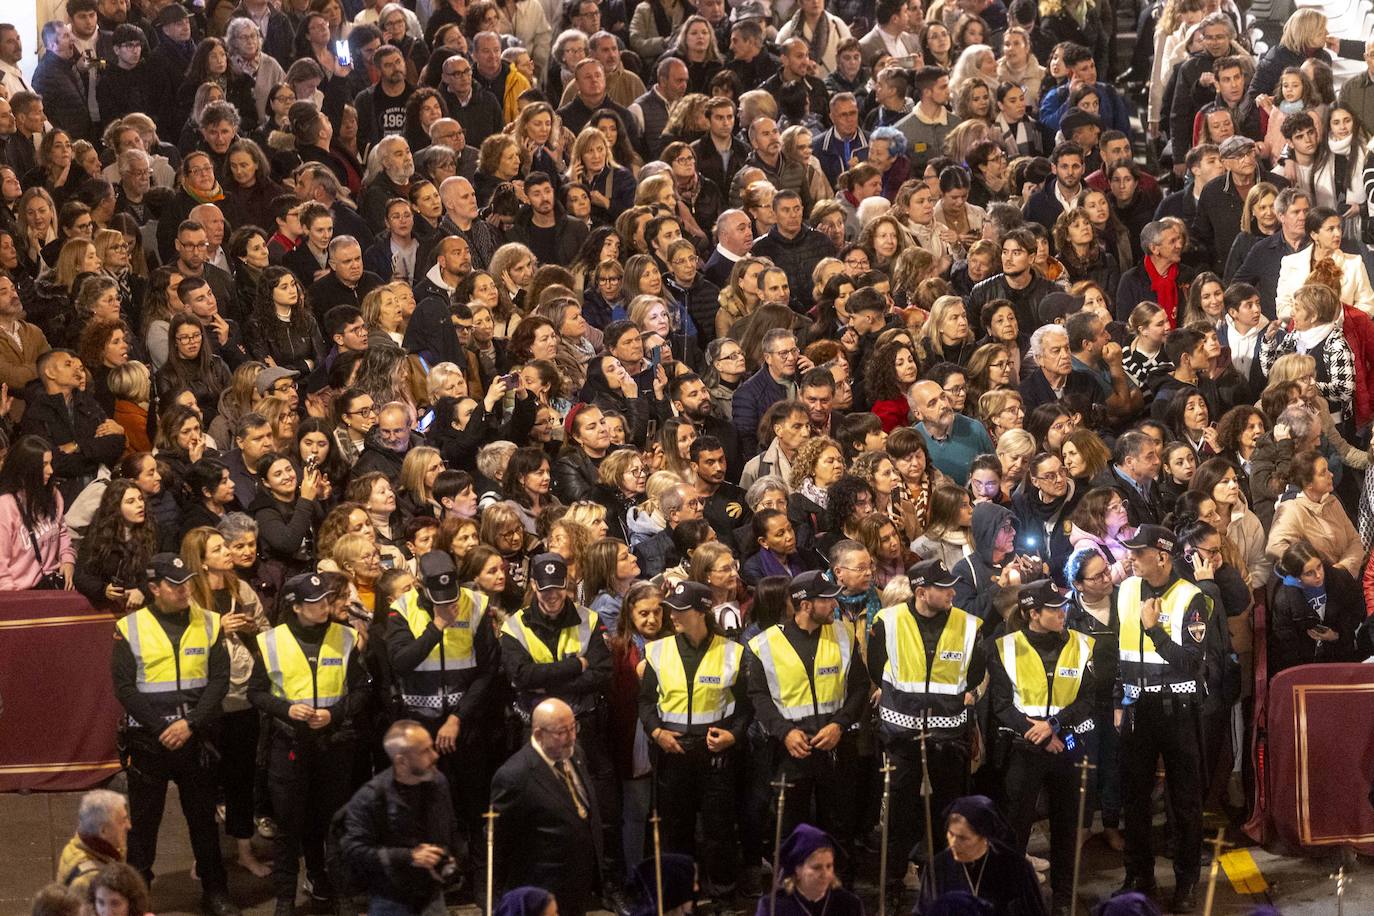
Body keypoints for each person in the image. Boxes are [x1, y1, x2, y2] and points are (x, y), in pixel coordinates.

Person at [111, 553, 240, 916]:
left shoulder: (211, 623)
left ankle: (216, 893)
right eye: (175, 585)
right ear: (154, 588)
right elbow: (124, 687)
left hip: (195, 735)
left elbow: (218, 681)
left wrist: (190, 723)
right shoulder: (130, 627)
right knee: (143, 825)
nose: (185, 591)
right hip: (148, 739)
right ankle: (137, 898)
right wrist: (162, 726)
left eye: (187, 583)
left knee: (203, 820)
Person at [248, 571, 371, 915]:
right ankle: (285, 900)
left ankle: (339, 894)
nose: (324, 608)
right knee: (288, 826)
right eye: (315, 604)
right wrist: (287, 710)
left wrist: (333, 714)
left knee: (334, 823)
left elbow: (362, 690)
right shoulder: (272, 641)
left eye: (326, 601)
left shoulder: (345, 637)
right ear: (297, 607)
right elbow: (255, 692)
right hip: (289, 745)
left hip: (333, 744)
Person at [868, 559, 985, 898]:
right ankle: (891, 884)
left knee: (949, 813)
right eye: (944, 587)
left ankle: (944, 880)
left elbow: (975, 674)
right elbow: (878, 668)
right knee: (898, 815)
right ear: (921, 592)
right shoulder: (886, 622)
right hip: (901, 737)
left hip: (949, 738)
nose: (952, 592)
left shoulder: (968, 625)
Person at [747, 570, 868, 881]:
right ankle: (791, 896)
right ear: (804, 604)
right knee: (790, 829)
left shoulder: (842, 634)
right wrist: (784, 732)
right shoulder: (765, 645)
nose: (834, 603)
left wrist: (840, 725)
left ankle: (840, 895)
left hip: (835, 746)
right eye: (826, 599)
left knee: (840, 827)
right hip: (791, 750)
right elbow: (758, 697)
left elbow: (858, 688)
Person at [385, 549, 501, 864]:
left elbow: (487, 670)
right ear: (421, 585)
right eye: (439, 597)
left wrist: (458, 717)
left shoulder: (476, 604)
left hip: (464, 722)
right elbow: (401, 663)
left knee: (473, 800)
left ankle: (478, 875)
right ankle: (433, 879)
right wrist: (436, 627)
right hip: (419, 723)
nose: (448, 603)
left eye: (450, 596)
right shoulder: (401, 609)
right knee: (424, 805)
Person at [1114, 524, 1208, 911]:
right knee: (1133, 798)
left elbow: (1190, 663)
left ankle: (1186, 881)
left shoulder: (1191, 597)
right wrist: (1118, 701)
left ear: (1163, 557)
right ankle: (1139, 875)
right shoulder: (1127, 589)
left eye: (1138, 553)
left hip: (1177, 708)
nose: (1130, 558)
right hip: (1137, 708)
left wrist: (1155, 632)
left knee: (1184, 800)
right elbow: (1119, 651)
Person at [989, 579, 1097, 914]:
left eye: (1063, 605)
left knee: (1067, 828)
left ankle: (1063, 899)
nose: (1063, 612)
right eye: (1054, 608)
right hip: (1024, 748)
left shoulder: (1081, 645)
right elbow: (1002, 705)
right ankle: (1013, 899)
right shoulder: (1004, 647)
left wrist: (1054, 727)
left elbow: (1087, 698)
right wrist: (1034, 731)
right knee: (1015, 829)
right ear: (1032, 613)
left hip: (1067, 744)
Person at [639, 579, 747, 894]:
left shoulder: (733, 652)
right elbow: (645, 702)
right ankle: (680, 894)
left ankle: (724, 891)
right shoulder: (658, 651)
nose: (672, 616)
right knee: (675, 829)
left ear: (702, 611)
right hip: (672, 752)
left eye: (680, 610)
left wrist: (733, 736)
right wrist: (657, 732)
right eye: (671, 609)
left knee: (719, 828)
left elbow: (745, 707)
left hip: (715, 753)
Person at [491, 697, 605, 916]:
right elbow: (500, 843)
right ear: (538, 734)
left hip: (577, 885)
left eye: (574, 727)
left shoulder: (574, 753)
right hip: (541, 893)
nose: (571, 737)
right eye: (562, 732)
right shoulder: (515, 776)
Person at [339, 719, 463, 915]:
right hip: (390, 898)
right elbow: (353, 850)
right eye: (425, 751)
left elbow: (448, 828)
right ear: (401, 761)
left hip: (431, 894)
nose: (434, 756)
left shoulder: (437, 782)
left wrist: (448, 857)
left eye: (431, 747)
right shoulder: (371, 797)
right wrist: (410, 856)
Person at [911, 795, 1048, 915]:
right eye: (951, 834)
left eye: (963, 838)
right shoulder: (938, 867)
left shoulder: (1015, 867)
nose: (953, 843)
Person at [1269, 539, 1367, 676]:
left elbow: (1356, 612)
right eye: (1309, 573)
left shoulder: (1340, 579)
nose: (1318, 575)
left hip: (1341, 655)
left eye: (1319, 566)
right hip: (1304, 665)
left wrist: (1337, 636)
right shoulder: (1284, 600)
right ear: (1297, 576)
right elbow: (1285, 645)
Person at [757, 823, 864, 916]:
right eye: (817, 867)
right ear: (797, 870)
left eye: (829, 866)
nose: (825, 874)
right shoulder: (773, 907)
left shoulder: (849, 905)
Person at [55, 790, 130, 898]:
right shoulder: (90, 880)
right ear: (103, 831)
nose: (129, 826)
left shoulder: (77, 845)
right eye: (122, 821)